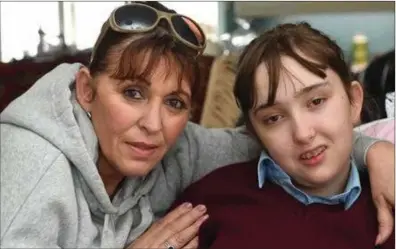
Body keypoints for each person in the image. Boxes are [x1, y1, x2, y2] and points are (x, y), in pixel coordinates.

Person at [0, 2, 393, 248]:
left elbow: (289, 143)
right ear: (86, 90)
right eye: (132, 93)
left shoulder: (180, 148)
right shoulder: (34, 163)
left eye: (175, 102)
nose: (153, 125)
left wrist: (375, 149)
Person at [170, 23, 395, 249]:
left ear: (354, 101)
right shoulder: (206, 206)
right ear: (254, 131)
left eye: (316, 102)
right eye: (274, 118)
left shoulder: (389, 196)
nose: (303, 134)